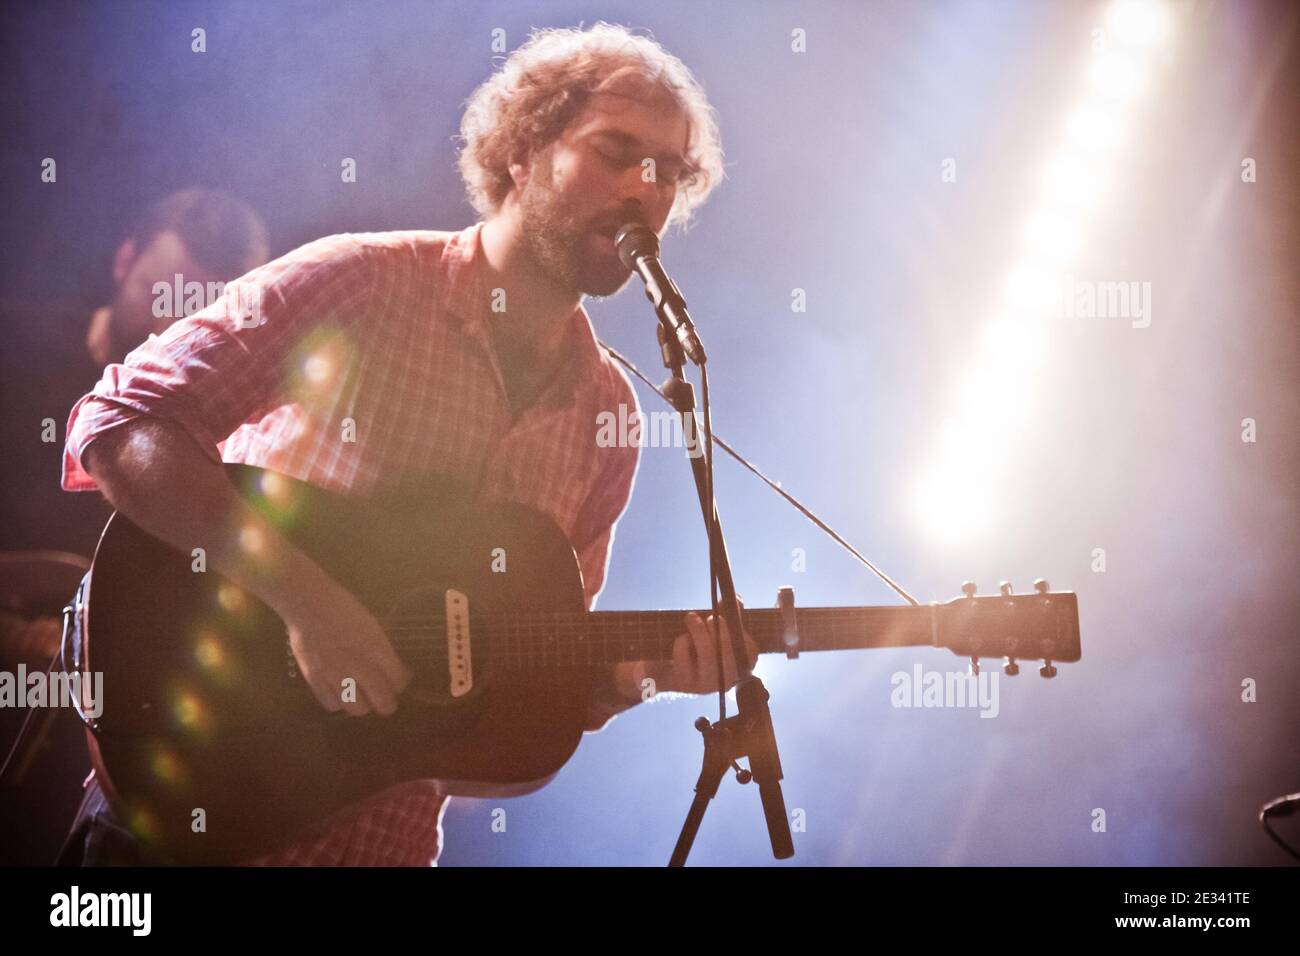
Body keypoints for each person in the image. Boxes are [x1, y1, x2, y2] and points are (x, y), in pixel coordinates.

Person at [55, 22, 756, 867]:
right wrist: (307, 600)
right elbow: (118, 423)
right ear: (522, 151)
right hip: (188, 822)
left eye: (670, 172)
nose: (647, 188)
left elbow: (523, 674)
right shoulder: (360, 281)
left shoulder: (608, 419)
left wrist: (642, 677)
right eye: (616, 150)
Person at [0, 187, 269, 865]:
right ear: (124, 260)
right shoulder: (14, 347)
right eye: (158, 288)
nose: (168, 318)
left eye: (196, 306)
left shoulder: (221, 437)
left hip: (87, 754)